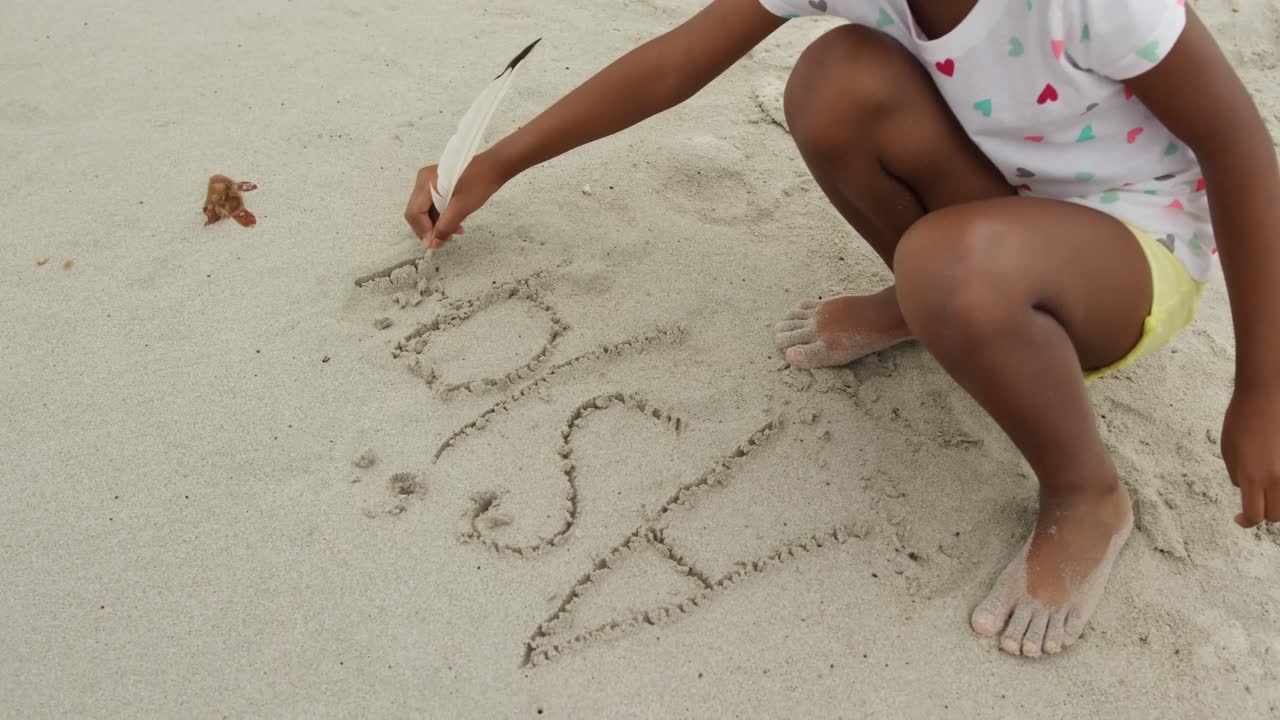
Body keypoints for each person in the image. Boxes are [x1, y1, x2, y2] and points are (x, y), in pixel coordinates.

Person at [403, 0, 1280, 657]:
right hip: (1000, 200)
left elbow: (1240, 146)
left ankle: (1086, 494)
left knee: (948, 266)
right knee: (835, 79)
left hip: (1130, 249)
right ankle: (932, 300)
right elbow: (679, 60)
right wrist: (497, 162)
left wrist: (1262, 387)